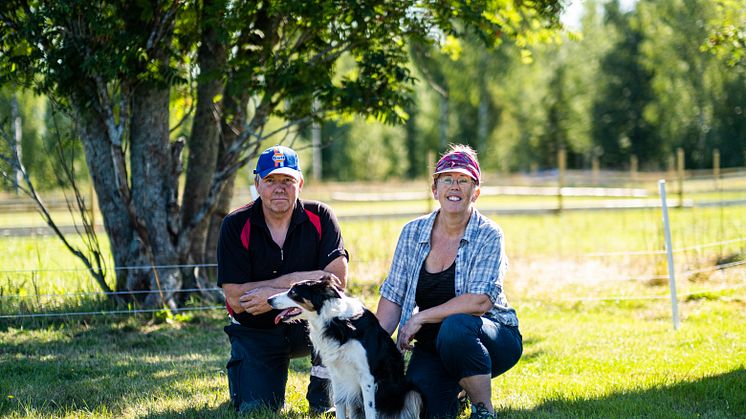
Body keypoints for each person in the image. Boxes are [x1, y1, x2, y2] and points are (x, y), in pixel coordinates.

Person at [376, 144, 522, 419]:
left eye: (463, 180)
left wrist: (420, 318)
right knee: (421, 410)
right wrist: (372, 346)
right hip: (432, 346)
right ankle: (460, 389)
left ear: (475, 192)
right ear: (435, 190)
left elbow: (479, 301)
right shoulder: (412, 232)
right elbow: (393, 296)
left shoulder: (489, 234)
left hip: (491, 336)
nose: (455, 187)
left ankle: (483, 408)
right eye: (447, 179)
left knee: (455, 328)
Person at [217, 145, 349, 414]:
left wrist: (272, 294)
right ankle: (252, 374)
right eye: (270, 180)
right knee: (257, 407)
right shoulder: (234, 224)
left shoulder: (321, 217)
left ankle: (323, 400)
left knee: (338, 318)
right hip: (256, 328)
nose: (280, 188)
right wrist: (307, 279)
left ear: (300, 182)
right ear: (257, 183)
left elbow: (336, 282)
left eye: (287, 180)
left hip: (307, 324)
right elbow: (236, 298)